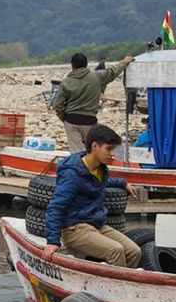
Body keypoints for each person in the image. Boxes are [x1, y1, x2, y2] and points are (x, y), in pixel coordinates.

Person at [42, 124, 141, 268]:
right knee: (115, 250)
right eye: (109, 149)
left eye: (113, 149)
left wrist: (123, 183)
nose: (113, 154)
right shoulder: (72, 174)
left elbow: (102, 182)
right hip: (74, 229)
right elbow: (56, 206)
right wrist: (52, 242)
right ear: (95, 146)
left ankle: (128, 283)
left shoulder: (99, 168)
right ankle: (116, 288)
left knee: (134, 251)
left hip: (96, 224)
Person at [53, 53, 133, 153]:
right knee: (91, 151)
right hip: (90, 120)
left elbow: (57, 105)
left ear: (72, 66)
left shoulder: (66, 82)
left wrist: (64, 118)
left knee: (75, 152)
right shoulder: (96, 76)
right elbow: (112, 72)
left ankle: (77, 167)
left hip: (71, 120)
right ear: (86, 64)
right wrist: (124, 62)